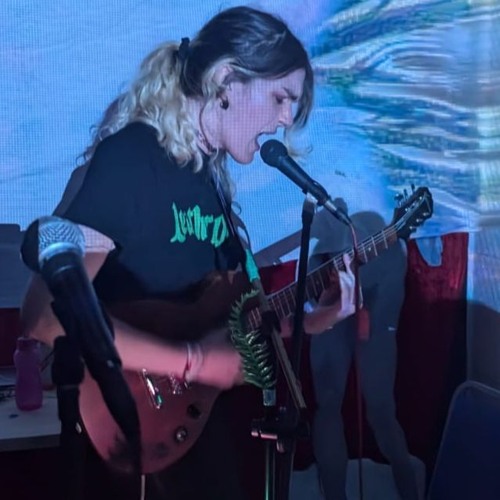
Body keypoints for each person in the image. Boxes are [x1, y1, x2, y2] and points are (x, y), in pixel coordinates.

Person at [20, 6, 358, 500]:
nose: (286, 119)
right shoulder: (134, 159)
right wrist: (193, 362)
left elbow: (223, 323)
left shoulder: (210, 182)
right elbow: (44, 315)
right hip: (129, 437)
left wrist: (310, 320)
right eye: (280, 98)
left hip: (194, 436)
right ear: (226, 80)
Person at [309, 208, 420, 500]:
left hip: (380, 271)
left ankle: (409, 490)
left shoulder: (383, 244)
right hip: (326, 268)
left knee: (380, 408)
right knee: (329, 403)